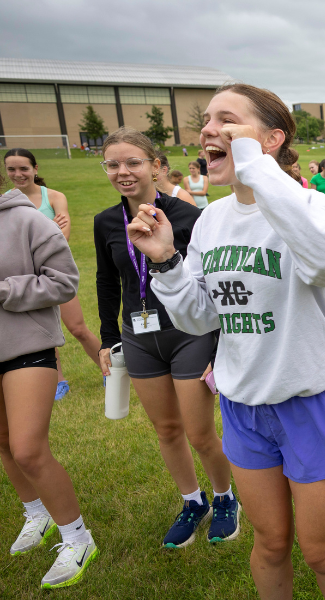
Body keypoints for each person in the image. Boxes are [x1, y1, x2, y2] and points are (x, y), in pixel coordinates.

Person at [127, 83, 325, 599]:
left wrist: (258, 168)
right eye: (208, 119)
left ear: (271, 138)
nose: (209, 129)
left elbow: (324, 257)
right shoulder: (212, 219)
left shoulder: (310, 205)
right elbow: (198, 318)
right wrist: (166, 261)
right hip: (242, 404)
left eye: (227, 120)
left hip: (310, 400)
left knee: (320, 550)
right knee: (271, 542)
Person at [94, 127, 239, 549]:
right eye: (113, 164)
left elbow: (212, 284)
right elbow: (107, 281)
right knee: (167, 430)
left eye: (133, 162)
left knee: (199, 432)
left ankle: (226, 498)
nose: (123, 172)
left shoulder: (188, 217)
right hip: (139, 338)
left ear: (156, 167)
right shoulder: (107, 222)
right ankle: (192, 502)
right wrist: (107, 338)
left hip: (188, 334)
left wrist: (218, 344)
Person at [0, 171, 99, 589]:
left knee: (27, 449)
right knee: (3, 442)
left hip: (26, 347)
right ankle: (35, 513)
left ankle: (78, 538)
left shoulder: (25, 220)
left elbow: (63, 281)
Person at [4, 148, 103, 400]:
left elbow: (63, 237)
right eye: (11, 169)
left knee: (78, 328)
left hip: (50, 276)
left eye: (24, 168)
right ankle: (58, 380)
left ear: (35, 169)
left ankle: (108, 370)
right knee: (42, 333)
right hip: (25, 282)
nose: (18, 174)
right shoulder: (5, 205)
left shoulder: (54, 197)